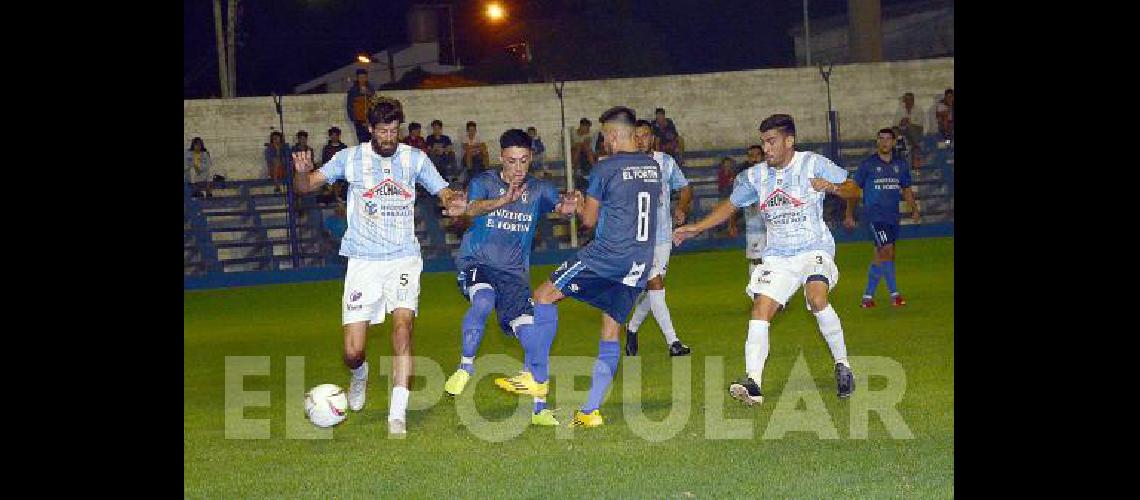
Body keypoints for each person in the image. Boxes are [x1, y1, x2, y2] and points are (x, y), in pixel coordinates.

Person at [291, 97, 467, 436]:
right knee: (353, 351)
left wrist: (452, 200)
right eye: (383, 131)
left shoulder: (415, 158)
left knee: (402, 330)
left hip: (403, 258)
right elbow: (305, 187)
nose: (389, 137)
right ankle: (360, 375)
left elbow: (442, 191)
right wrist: (300, 174)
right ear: (370, 129)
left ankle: (396, 416)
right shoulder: (349, 158)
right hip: (363, 262)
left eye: (394, 131)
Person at [673, 114, 856, 407]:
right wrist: (696, 227)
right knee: (760, 309)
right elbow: (730, 205)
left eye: (771, 142)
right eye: (763, 142)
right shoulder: (756, 176)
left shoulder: (813, 164)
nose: (766, 148)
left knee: (817, 297)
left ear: (789, 141)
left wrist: (833, 187)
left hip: (814, 249)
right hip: (778, 256)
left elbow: (853, 189)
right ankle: (754, 384)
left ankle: (842, 365)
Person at [498, 106, 661, 428]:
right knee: (611, 331)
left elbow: (588, 220)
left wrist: (580, 203)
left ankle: (537, 378)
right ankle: (589, 411)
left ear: (613, 135)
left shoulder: (605, 168)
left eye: (604, 136)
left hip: (606, 255)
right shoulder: (652, 165)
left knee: (543, 296)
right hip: (639, 262)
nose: (604, 142)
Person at [443, 129, 579, 427]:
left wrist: (569, 208)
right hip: (477, 262)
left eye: (524, 161)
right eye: (511, 161)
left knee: (533, 338)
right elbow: (472, 208)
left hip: (514, 275)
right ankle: (465, 367)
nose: (518, 168)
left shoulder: (540, 189)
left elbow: (561, 208)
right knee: (483, 299)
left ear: (530, 159)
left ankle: (540, 408)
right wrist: (503, 200)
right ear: (501, 158)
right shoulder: (484, 182)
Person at [624, 119, 693, 357]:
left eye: (645, 135)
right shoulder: (626, 165)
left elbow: (684, 188)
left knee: (654, 291)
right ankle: (673, 342)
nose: (641, 140)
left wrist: (681, 207)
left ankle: (631, 329)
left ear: (652, 138)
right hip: (638, 238)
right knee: (655, 285)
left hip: (663, 236)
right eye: (637, 136)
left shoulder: (665, 161)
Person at [844, 128, 920, 308]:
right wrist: (849, 214)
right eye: (881, 139)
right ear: (877, 142)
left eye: (888, 139)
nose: (885, 142)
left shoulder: (900, 165)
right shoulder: (868, 165)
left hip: (892, 216)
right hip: (874, 217)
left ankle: (867, 297)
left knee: (883, 255)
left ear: (893, 142)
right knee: (886, 250)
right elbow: (854, 191)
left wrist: (914, 209)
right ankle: (895, 295)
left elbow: (906, 189)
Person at [740, 145, 767, 278]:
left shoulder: (774, 173)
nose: (754, 158)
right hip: (754, 227)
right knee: (756, 259)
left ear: (763, 156)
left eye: (757, 155)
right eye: (751, 156)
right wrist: (731, 224)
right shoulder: (742, 177)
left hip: (776, 226)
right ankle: (756, 291)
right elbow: (734, 203)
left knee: (776, 260)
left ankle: (779, 295)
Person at [346, 68, 376, 144]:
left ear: (366, 78)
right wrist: (355, 120)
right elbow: (349, 107)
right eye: (360, 77)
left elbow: (375, 103)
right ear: (357, 78)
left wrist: (368, 94)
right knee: (362, 143)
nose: (362, 79)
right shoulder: (353, 91)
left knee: (372, 142)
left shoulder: (371, 89)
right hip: (359, 122)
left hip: (370, 121)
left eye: (364, 77)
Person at [895, 93, 923, 169]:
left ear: (913, 100)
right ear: (904, 100)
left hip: (916, 130)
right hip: (903, 130)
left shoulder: (919, 109)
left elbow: (920, 124)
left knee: (910, 128)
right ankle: (897, 151)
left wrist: (909, 122)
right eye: (906, 100)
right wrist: (901, 122)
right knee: (893, 131)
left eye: (910, 100)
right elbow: (895, 123)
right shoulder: (900, 110)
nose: (908, 101)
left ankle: (915, 145)